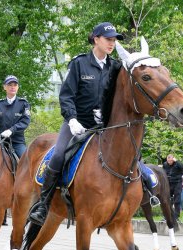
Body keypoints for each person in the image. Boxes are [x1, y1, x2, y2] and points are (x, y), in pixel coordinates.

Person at [28, 22, 124, 226]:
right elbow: (66, 95)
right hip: (77, 124)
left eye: (114, 40)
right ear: (96, 39)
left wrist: (107, 114)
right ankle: (43, 204)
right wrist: (72, 119)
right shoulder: (79, 64)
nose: (112, 43)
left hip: (104, 127)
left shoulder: (115, 67)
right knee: (59, 155)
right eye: (108, 39)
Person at [0, 75, 31, 159]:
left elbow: (25, 121)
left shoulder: (23, 103)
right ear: (4, 87)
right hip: (0, 142)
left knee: (26, 161)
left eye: (15, 85)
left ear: (18, 87)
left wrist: (11, 130)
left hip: (17, 142)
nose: (13, 87)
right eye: (10, 85)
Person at [163, 154, 183, 220]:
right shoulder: (165, 164)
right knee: (167, 200)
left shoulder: (177, 164)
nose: (169, 162)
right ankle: (166, 216)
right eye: (168, 160)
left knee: (177, 200)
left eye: (170, 160)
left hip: (177, 183)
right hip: (169, 183)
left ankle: (176, 216)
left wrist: (177, 161)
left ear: (173, 159)